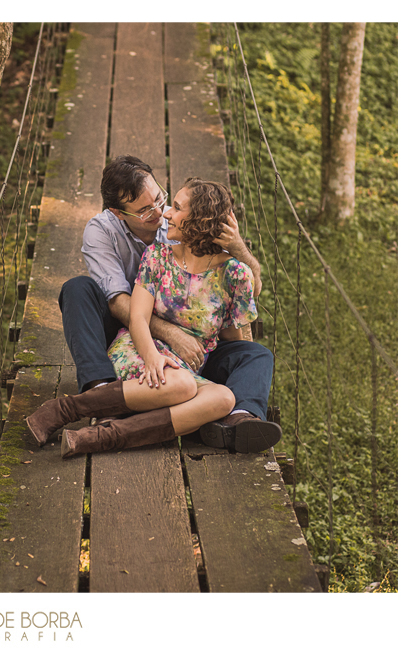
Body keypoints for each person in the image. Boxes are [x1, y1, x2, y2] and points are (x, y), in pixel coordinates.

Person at [26, 156, 281, 454]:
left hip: (192, 351)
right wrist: (162, 344)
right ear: (118, 213)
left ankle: (235, 419)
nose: (162, 213)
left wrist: (237, 248)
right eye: (146, 210)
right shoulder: (144, 248)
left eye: (162, 200)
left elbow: (244, 298)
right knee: (77, 289)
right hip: (137, 334)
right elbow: (125, 307)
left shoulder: (218, 259)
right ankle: (97, 396)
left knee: (234, 383)